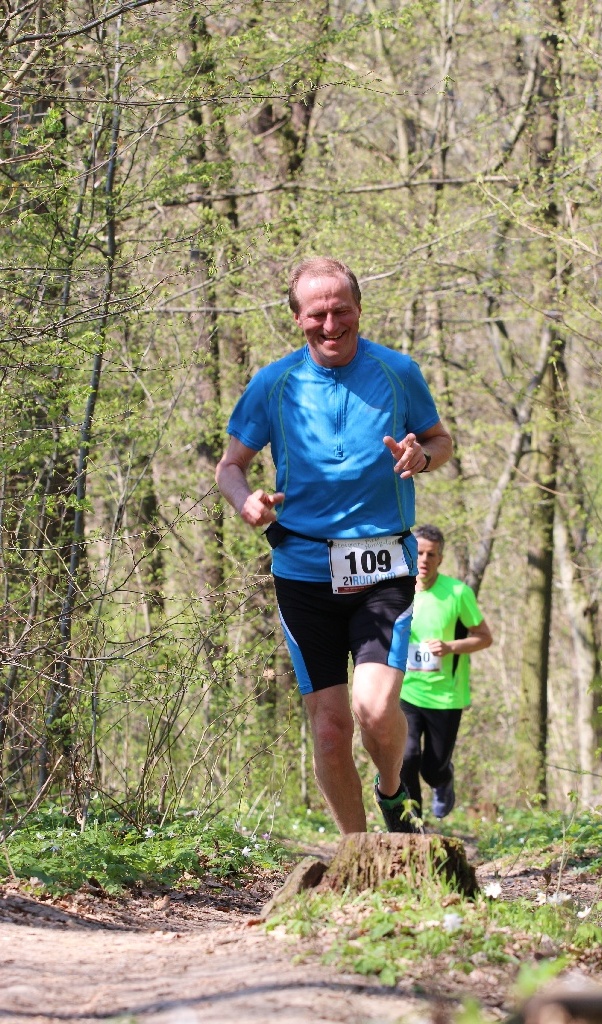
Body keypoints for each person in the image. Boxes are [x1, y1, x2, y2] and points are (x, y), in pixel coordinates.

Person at [215, 257, 452, 835]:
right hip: (302, 572)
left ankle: (392, 790)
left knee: (374, 709)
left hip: (382, 569)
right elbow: (230, 466)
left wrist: (422, 457)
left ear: (359, 309)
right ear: (297, 318)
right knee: (328, 729)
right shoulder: (274, 383)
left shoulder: (398, 372)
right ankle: (355, 850)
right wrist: (245, 502)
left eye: (341, 310)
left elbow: (441, 441)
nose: (330, 324)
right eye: (316, 314)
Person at [400, 524, 492, 820]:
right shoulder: (396, 590)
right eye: (419, 553)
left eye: (431, 554)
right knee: (406, 757)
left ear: (440, 558)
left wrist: (450, 647)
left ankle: (443, 780)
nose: (424, 560)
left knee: (433, 768)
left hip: (445, 697)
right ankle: (413, 824)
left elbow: (484, 637)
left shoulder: (457, 593)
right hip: (406, 691)